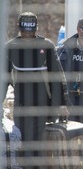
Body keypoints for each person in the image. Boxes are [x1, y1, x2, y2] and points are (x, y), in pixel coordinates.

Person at [4, 11, 68, 168]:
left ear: (36, 28)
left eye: (31, 30)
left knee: (39, 143)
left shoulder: (46, 46)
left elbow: (57, 77)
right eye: (25, 30)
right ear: (19, 28)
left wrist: (60, 104)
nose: (28, 34)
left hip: (42, 103)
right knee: (23, 142)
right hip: (21, 104)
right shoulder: (10, 47)